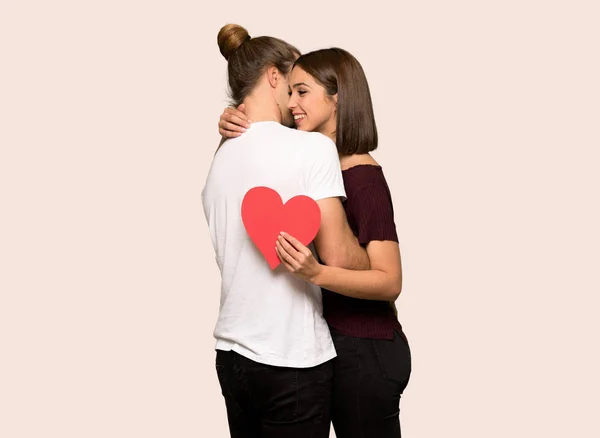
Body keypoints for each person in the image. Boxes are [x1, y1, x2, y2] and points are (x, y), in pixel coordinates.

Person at [218, 47, 412, 437]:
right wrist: (232, 121)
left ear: (336, 96)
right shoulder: (313, 162)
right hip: (335, 346)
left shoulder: (363, 177)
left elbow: (390, 281)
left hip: (366, 346)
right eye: (289, 93)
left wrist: (317, 272)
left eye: (301, 93)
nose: (291, 104)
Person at [202, 24, 370, 438]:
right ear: (273, 77)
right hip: (290, 357)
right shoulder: (311, 147)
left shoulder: (219, 158)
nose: (297, 101)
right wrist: (374, 260)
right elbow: (341, 258)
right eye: (293, 86)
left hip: (231, 353)